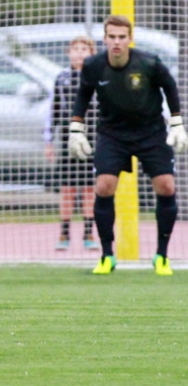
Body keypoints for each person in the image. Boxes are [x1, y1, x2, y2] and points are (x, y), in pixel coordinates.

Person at [69, 14, 188, 275]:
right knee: (104, 186)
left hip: (151, 132)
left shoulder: (148, 62)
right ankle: (107, 256)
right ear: (105, 38)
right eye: (112, 37)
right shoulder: (93, 65)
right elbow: (83, 95)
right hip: (112, 133)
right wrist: (76, 127)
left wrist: (177, 122)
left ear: (130, 39)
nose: (117, 42)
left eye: (122, 37)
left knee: (167, 186)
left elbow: (170, 86)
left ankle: (161, 256)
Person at [44, 35, 99, 251]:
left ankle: (88, 233)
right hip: (69, 140)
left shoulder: (98, 76)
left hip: (93, 138)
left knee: (89, 188)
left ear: (91, 53)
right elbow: (53, 112)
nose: (79, 52)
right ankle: (64, 232)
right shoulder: (61, 78)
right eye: (74, 48)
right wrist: (48, 141)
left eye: (83, 49)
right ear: (68, 53)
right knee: (68, 188)